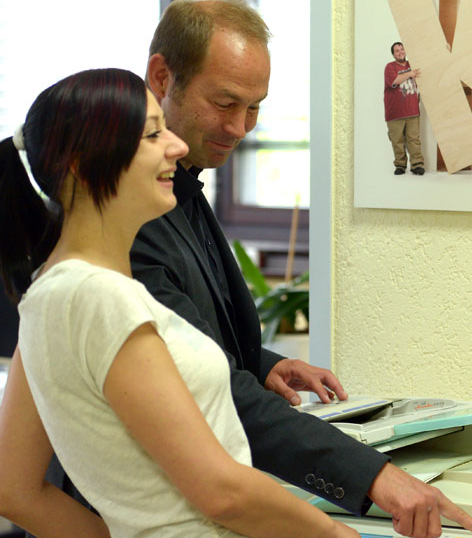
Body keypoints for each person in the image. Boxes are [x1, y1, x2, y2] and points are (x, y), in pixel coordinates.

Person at [135, 0, 472, 538]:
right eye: (225, 102)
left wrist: (261, 360)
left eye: (255, 107)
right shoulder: (132, 214)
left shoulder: (184, 181)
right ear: (162, 76)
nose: (241, 127)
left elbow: (194, 333)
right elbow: (201, 385)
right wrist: (374, 479)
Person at [0, 68, 360, 536]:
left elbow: (13, 487)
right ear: (81, 165)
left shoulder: (52, 290)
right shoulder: (100, 298)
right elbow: (221, 492)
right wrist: (339, 534)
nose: (177, 147)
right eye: (152, 134)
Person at [384, 41, 425, 175]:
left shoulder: (412, 64)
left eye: (402, 49)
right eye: (397, 50)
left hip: (412, 110)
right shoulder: (390, 67)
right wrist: (410, 74)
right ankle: (400, 165)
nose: (400, 52)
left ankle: (417, 165)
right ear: (393, 54)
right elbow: (395, 81)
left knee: (414, 139)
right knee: (397, 141)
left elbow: (429, 61)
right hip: (395, 112)